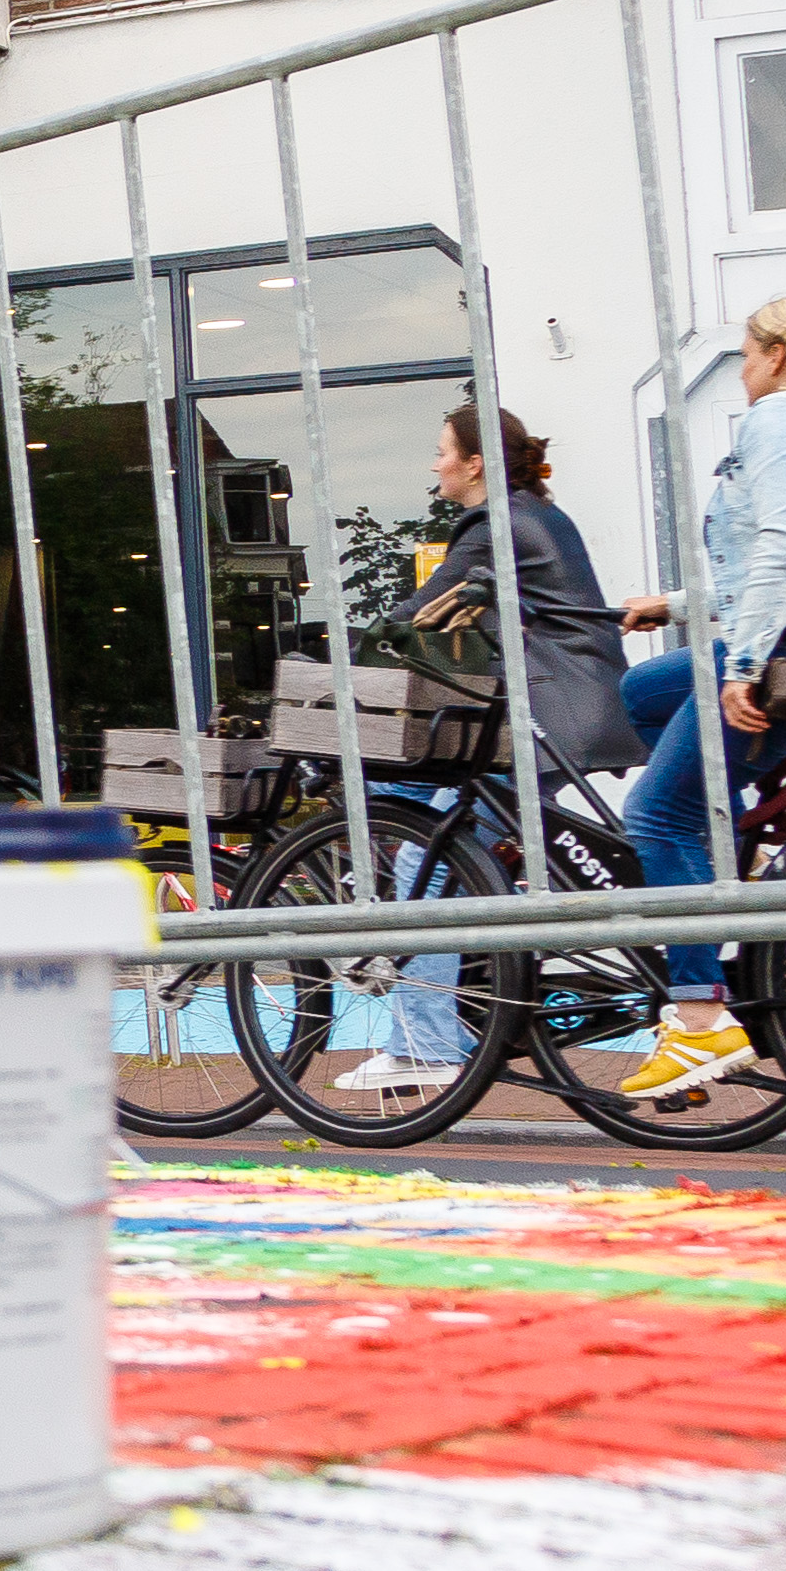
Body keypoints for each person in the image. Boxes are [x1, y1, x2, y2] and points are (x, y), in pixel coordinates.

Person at [612, 293, 786, 1101]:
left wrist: (743, 664)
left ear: (780, 353)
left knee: (657, 816)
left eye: (748, 353)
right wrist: (677, 606)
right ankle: (735, 833)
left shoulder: (783, 418)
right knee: (644, 688)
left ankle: (698, 1019)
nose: (744, 369)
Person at [327, 402, 615, 1107]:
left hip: (547, 715)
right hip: (553, 710)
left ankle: (425, 1046)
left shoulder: (497, 526)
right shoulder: (525, 514)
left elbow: (414, 616)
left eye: (441, 450)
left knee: (423, 859)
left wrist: (335, 664)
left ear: (475, 461)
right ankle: (480, 1004)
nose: (434, 465)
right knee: (424, 826)